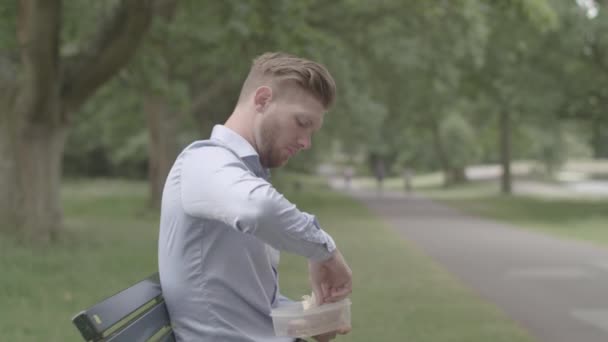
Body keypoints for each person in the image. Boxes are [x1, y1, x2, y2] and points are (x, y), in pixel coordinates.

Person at [158, 52, 352, 342]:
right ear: (262, 100)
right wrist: (325, 251)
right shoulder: (202, 162)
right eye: (301, 122)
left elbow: (256, 307)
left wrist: (308, 320)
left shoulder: (240, 178)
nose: (306, 143)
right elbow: (260, 209)